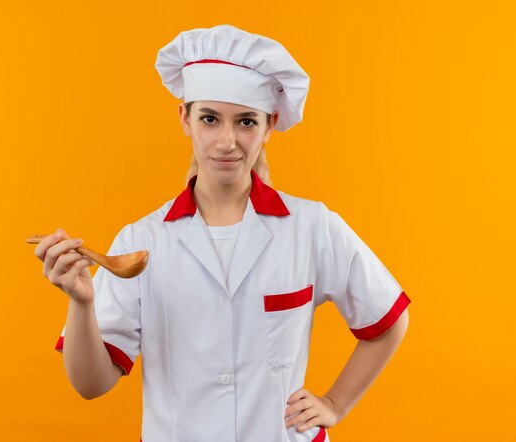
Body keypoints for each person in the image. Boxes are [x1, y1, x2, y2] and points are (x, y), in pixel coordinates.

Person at [33, 24, 410, 442]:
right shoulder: (142, 241)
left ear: (269, 127)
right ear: (185, 119)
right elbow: (91, 384)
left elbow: (389, 319)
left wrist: (336, 404)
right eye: (210, 119)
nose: (227, 141)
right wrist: (82, 304)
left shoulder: (312, 226)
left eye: (246, 122)